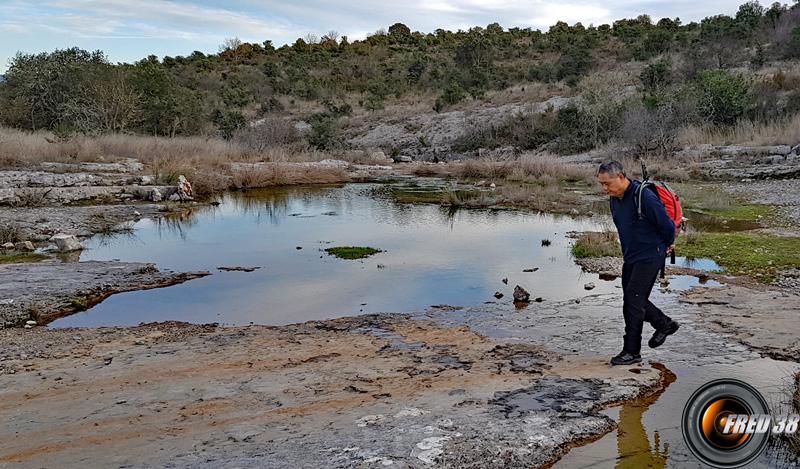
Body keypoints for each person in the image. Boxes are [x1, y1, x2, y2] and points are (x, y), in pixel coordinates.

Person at [597, 161, 680, 366]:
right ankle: (664, 324)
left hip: (651, 254)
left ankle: (632, 351)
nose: (604, 188)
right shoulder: (615, 199)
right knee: (633, 299)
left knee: (633, 302)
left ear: (621, 177)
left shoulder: (644, 196)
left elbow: (667, 226)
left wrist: (665, 246)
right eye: (601, 184)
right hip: (632, 256)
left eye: (607, 183)